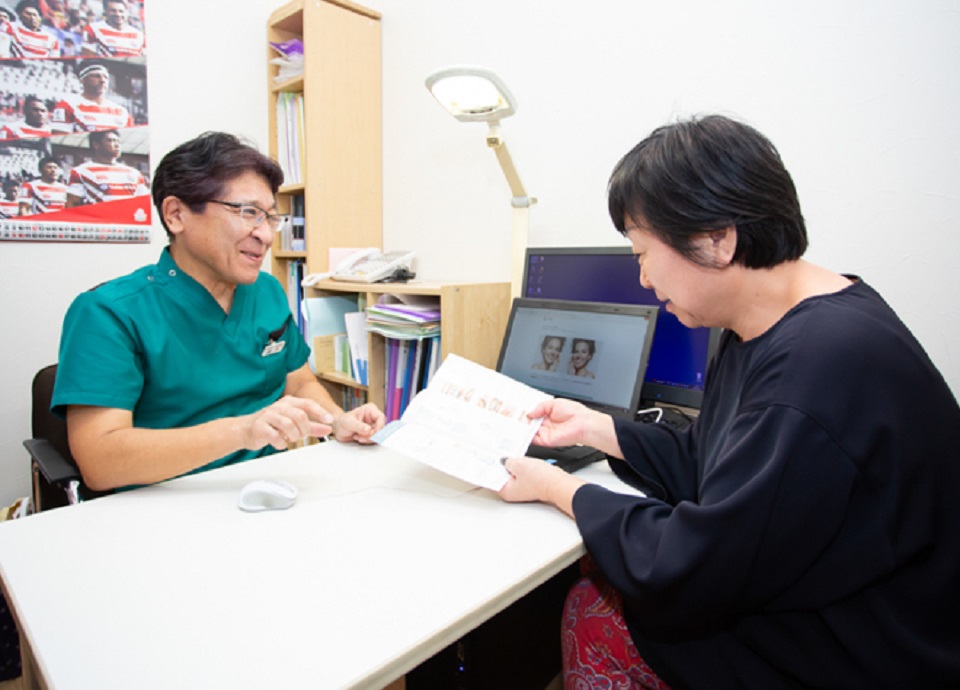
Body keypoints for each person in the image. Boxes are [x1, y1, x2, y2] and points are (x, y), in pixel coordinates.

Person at [498, 115, 960, 689]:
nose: (641, 278)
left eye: (642, 252)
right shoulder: (774, 322)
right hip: (824, 597)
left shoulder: (820, 367)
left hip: (864, 650)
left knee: (592, 608)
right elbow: (716, 466)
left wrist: (559, 488)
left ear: (717, 239)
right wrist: (596, 429)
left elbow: (688, 570)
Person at [52, 131, 386, 492]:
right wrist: (241, 431)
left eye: (270, 218)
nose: (266, 235)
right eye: (248, 213)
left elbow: (298, 379)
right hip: (161, 502)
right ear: (176, 214)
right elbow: (100, 463)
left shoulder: (266, 291)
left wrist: (336, 421)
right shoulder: (107, 313)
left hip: (267, 490)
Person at [65, 128, 147, 207]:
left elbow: (145, 203)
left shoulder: (134, 173)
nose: (117, 145)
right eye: (111, 140)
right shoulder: (80, 172)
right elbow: (72, 204)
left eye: (118, 141)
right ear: (96, 145)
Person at [50, 61, 134, 134]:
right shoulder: (66, 105)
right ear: (83, 80)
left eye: (106, 77)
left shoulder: (122, 112)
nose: (102, 80)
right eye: (96, 76)